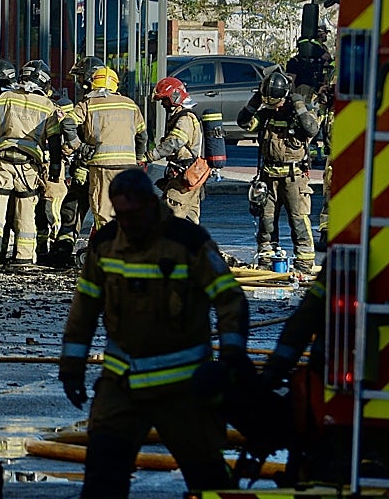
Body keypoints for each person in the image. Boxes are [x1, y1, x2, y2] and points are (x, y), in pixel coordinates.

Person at [59, 168, 249, 498]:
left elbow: (229, 298)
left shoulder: (187, 241)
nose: (127, 223)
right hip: (122, 385)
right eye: (120, 215)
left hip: (183, 390)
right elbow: (84, 310)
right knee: (102, 476)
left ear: (150, 204)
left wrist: (232, 357)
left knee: (209, 479)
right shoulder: (106, 245)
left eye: (133, 214)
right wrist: (71, 368)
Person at [0, 59, 79, 270]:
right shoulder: (48, 106)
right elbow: (54, 142)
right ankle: (24, 256)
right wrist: (55, 170)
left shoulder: (5, 98)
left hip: (3, 162)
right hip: (29, 167)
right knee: (26, 211)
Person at [238, 69, 319, 275]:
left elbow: (311, 129)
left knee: (298, 221)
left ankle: (304, 263)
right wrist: (256, 100)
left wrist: (298, 103)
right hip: (268, 177)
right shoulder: (265, 114)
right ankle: (266, 260)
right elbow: (244, 122)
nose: (273, 107)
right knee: (266, 223)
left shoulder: (298, 115)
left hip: (294, 178)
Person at [75, 65, 147, 229]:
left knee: (104, 213)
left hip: (102, 167)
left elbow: (68, 124)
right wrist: (138, 159)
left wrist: (78, 146)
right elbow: (142, 135)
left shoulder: (89, 103)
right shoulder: (130, 104)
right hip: (128, 167)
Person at [48, 56, 101, 265]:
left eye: (81, 78)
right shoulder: (98, 104)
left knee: (94, 209)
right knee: (71, 209)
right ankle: (64, 249)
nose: (79, 83)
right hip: (92, 166)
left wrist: (80, 153)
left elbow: (89, 138)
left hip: (94, 168)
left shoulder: (92, 106)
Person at [143, 76, 206, 223]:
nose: (163, 104)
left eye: (165, 100)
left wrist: (150, 156)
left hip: (183, 176)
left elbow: (175, 141)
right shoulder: (185, 115)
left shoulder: (184, 118)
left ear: (175, 97)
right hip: (192, 175)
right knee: (190, 219)